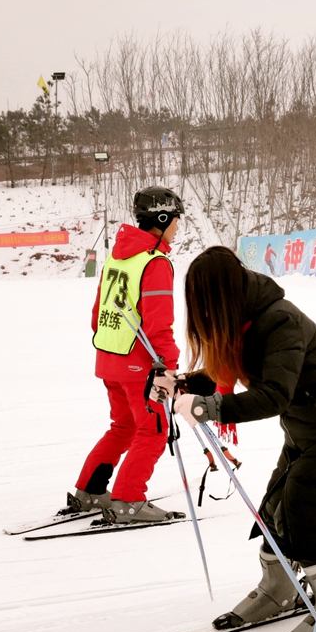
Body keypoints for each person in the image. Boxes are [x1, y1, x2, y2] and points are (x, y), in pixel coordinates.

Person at [172, 246, 316, 632]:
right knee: (274, 507)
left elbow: (274, 395)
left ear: (220, 297)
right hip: (306, 429)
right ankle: (279, 588)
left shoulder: (278, 321)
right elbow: (229, 369)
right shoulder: (247, 319)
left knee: (309, 516)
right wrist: (186, 384)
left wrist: (207, 407)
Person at [65, 186, 184, 525]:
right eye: (176, 220)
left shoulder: (118, 257)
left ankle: (89, 490)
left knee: (124, 426)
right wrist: (168, 368)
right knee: (153, 430)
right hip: (141, 366)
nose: (178, 227)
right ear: (161, 219)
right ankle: (128, 500)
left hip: (109, 359)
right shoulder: (155, 262)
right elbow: (160, 325)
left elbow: (96, 313)